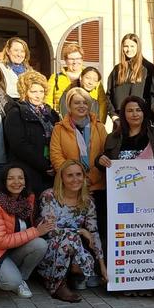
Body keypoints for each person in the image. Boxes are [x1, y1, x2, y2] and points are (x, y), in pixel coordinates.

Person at [0, 164, 53, 298]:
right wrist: (36, 231)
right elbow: (0, 241)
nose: (16, 182)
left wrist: (43, 222)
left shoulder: (27, 199)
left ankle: (21, 280)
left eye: (20, 178)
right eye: (10, 178)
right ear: (3, 182)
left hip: (15, 250)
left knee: (40, 244)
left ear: (25, 181)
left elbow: (27, 225)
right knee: (11, 282)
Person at [37, 160, 105, 302]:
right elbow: (50, 230)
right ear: (61, 178)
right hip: (49, 246)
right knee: (69, 238)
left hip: (75, 248)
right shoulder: (49, 196)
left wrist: (103, 266)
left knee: (74, 243)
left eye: (79, 174)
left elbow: (94, 233)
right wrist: (80, 231)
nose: (75, 179)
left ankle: (72, 274)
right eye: (70, 175)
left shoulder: (88, 202)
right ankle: (57, 286)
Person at [50, 88, 108, 240]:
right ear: (69, 105)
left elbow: (106, 153)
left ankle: (98, 262)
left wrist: (91, 179)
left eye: (85, 102)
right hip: (72, 188)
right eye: (77, 102)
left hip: (97, 186)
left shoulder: (99, 127)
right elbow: (56, 156)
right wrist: (76, 179)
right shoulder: (59, 129)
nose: (81, 106)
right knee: (75, 231)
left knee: (99, 229)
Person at [3, 70, 59, 195]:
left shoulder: (51, 113)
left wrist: (55, 164)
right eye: (33, 91)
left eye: (41, 91)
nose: (38, 95)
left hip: (51, 170)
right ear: (25, 92)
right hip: (27, 171)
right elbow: (19, 144)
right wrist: (44, 165)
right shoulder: (15, 113)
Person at [100, 95, 154, 162]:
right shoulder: (112, 138)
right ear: (123, 114)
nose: (135, 114)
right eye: (130, 111)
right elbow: (106, 165)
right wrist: (100, 160)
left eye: (138, 110)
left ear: (144, 113)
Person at [106, 33, 154, 125]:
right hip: (120, 121)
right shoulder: (117, 69)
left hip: (140, 119)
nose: (129, 50)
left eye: (132, 46)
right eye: (126, 46)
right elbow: (108, 95)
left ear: (138, 47)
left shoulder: (148, 68)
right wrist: (113, 115)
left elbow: (152, 96)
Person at [47, 43, 84, 112]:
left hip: (86, 121)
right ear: (65, 60)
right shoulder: (55, 78)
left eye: (78, 58)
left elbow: (101, 102)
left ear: (82, 60)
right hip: (61, 120)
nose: (75, 62)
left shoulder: (91, 77)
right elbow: (47, 101)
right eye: (71, 59)